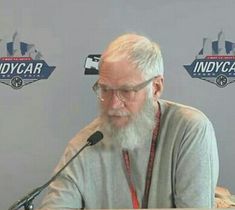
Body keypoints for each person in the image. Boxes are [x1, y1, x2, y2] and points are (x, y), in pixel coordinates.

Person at [39, 33, 219, 209]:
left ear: (156, 88)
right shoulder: (84, 144)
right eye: (105, 90)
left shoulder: (190, 129)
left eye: (126, 90)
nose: (113, 104)